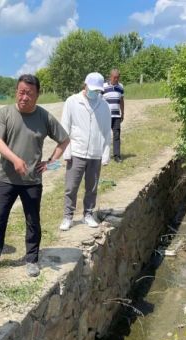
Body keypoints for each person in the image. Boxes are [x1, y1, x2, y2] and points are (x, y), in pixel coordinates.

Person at [0, 74, 69, 278]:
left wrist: (51, 163)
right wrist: (15, 160)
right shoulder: (5, 113)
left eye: (29, 93)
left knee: (33, 221)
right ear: (16, 92)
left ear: (37, 95)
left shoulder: (45, 117)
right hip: (6, 179)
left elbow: (64, 140)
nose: (24, 97)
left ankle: (32, 259)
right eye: (21, 92)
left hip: (32, 181)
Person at [59, 72, 111, 231]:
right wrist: (66, 152)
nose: (95, 92)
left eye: (98, 90)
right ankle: (68, 216)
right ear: (85, 85)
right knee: (71, 187)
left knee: (92, 187)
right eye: (92, 89)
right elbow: (64, 128)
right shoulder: (72, 101)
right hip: (77, 152)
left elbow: (107, 131)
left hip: (95, 153)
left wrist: (105, 153)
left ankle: (88, 214)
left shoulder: (104, 105)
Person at [102, 68, 125, 164]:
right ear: (110, 77)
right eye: (115, 77)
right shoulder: (103, 87)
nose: (116, 79)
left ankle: (117, 156)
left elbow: (121, 101)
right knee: (104, 136)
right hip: (105, 116)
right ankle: (103, 157)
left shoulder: (121, 87)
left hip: (116, 116)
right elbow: (99, 101)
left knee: (116, 136)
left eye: (118, 77)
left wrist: (122, 113)